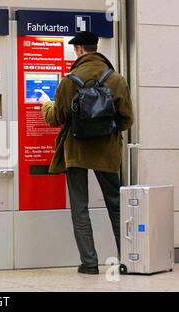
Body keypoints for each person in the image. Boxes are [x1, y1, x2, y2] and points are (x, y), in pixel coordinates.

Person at [39, 31, 134, 275]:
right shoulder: (116, 79)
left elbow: (55, 118)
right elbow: (127, 119)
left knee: (80, 207)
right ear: (95, 47)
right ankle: (127, 259)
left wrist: (45, 104)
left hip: (76, 152)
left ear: (79, 49)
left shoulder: (69, 81)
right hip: (107, 152)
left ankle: (89, 263)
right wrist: (107, 129)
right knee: (116, 206)